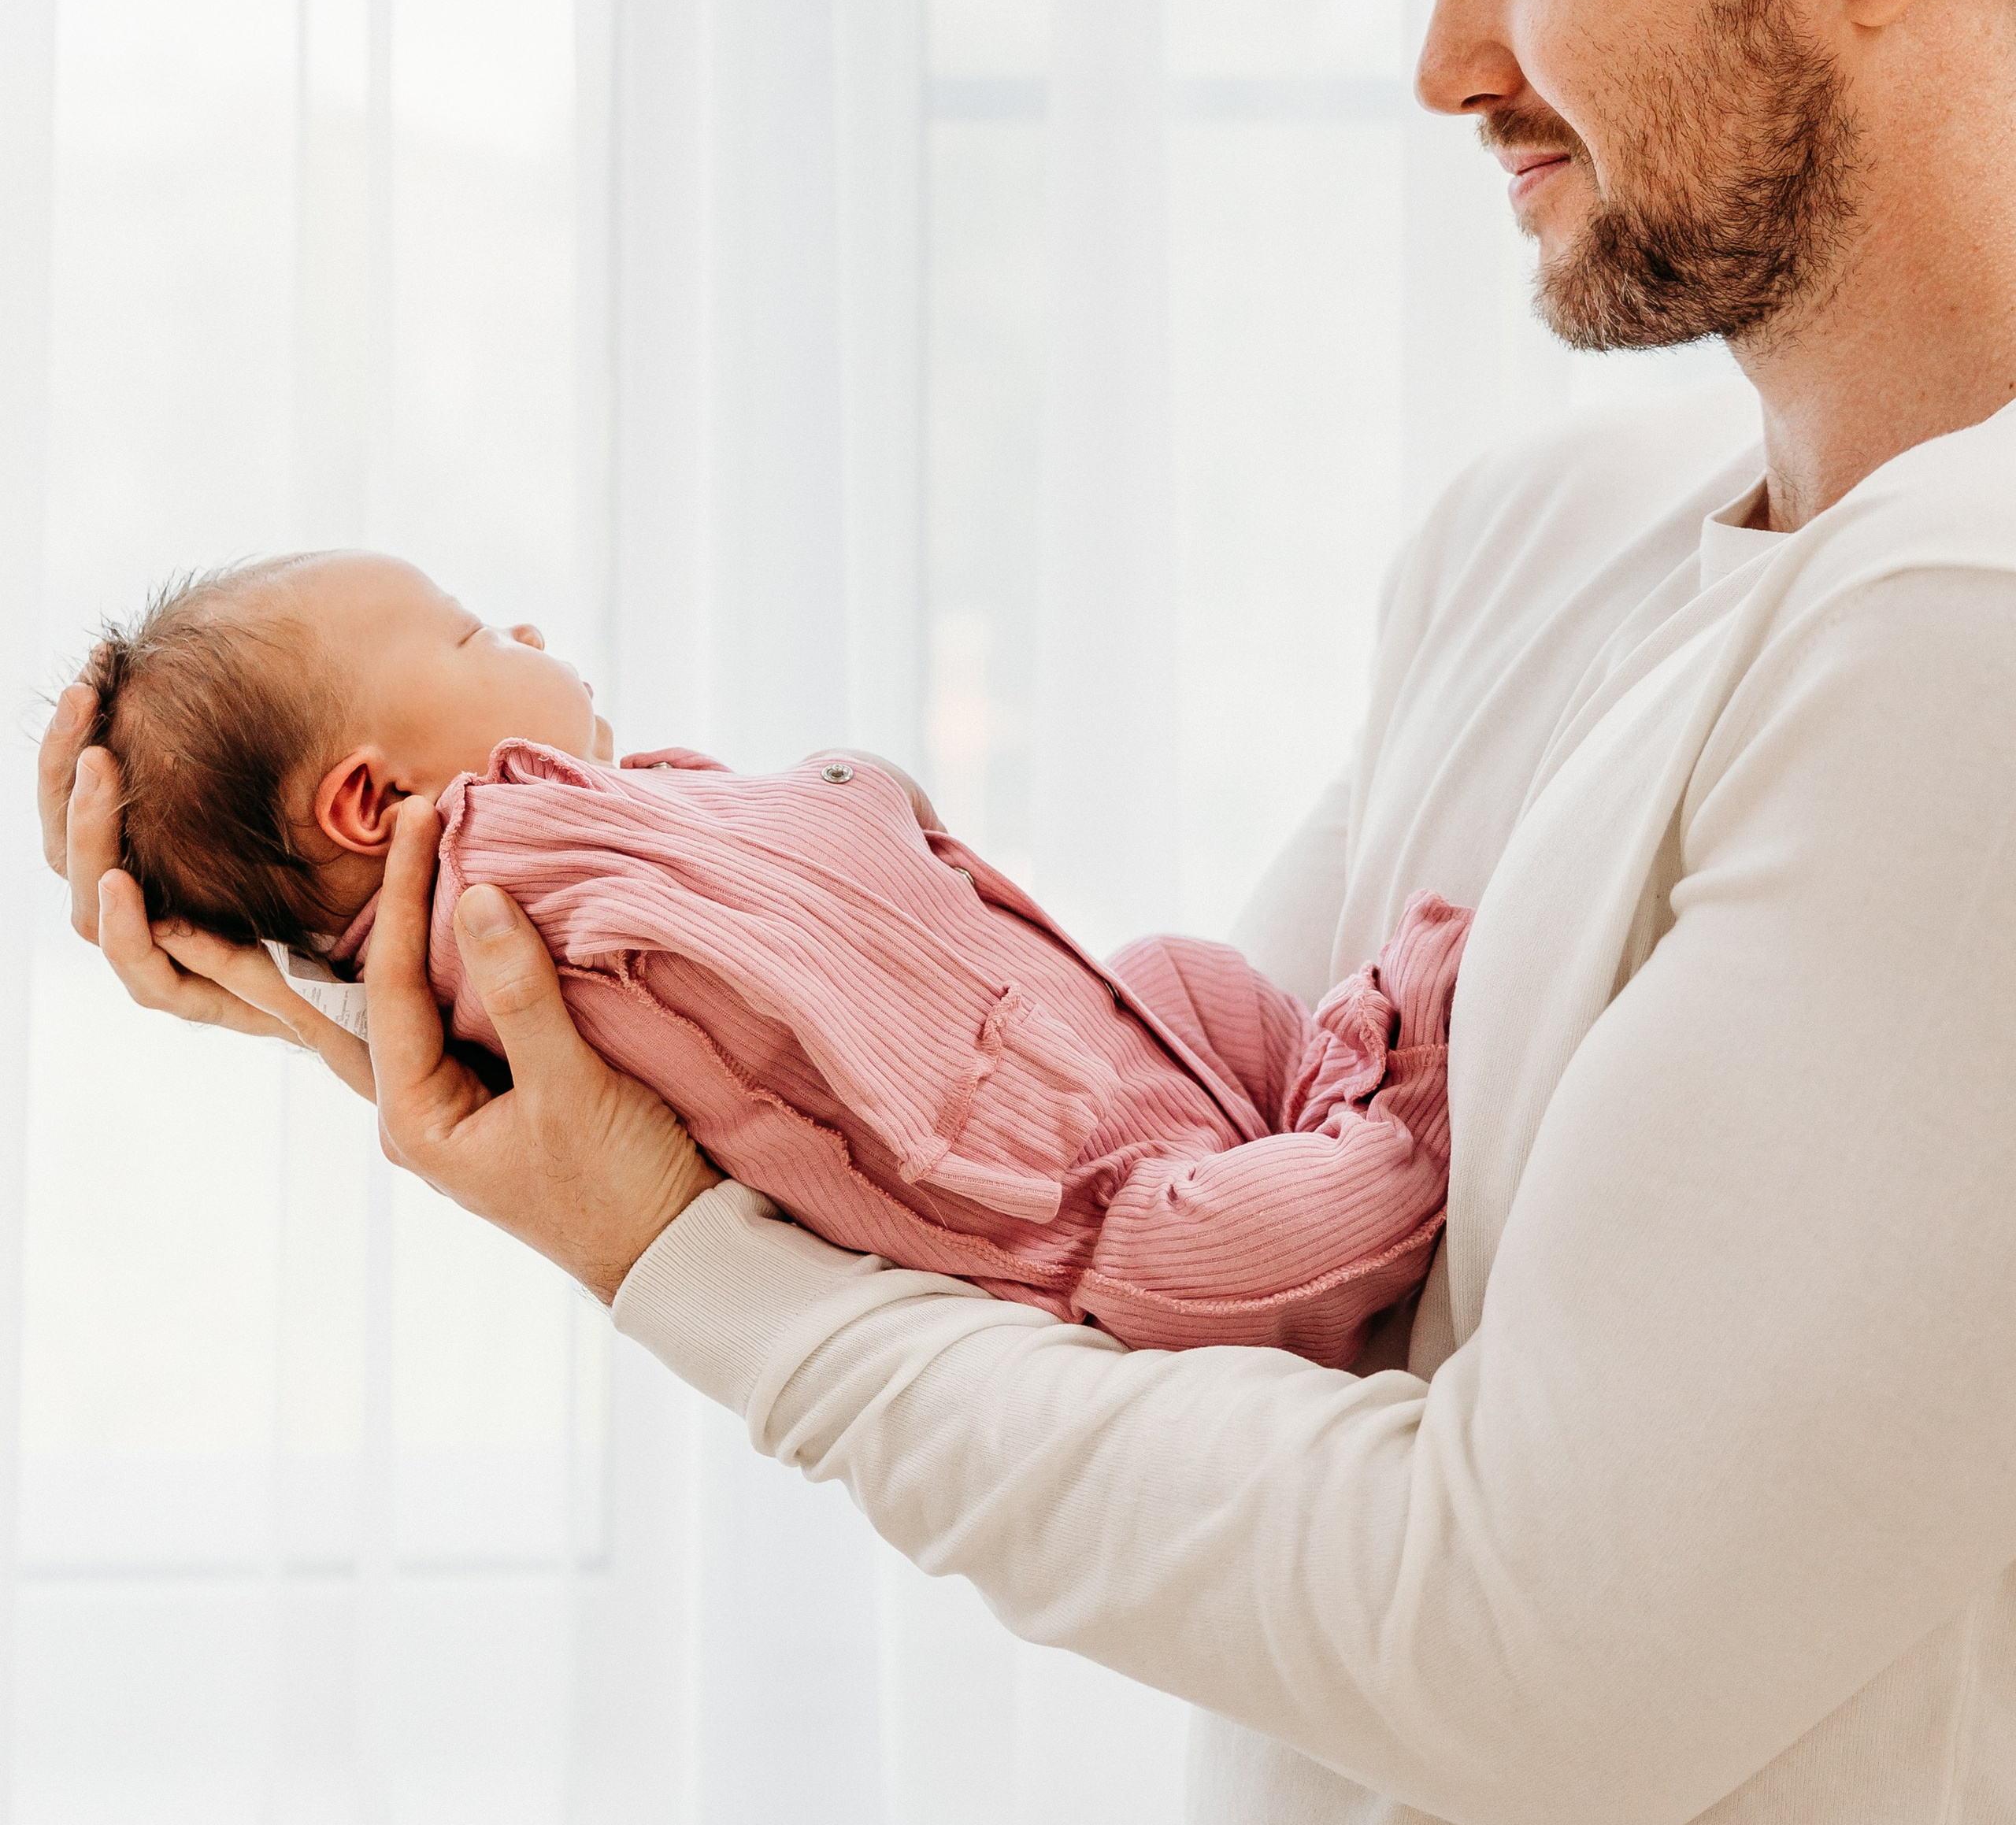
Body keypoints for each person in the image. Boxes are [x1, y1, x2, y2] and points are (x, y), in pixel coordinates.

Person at [40, 0, 2016, 1825]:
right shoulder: (1541, 545)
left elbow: (1525, 1650)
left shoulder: (1970, 643)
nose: (1438, 62)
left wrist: (675, 1260)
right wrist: (422, 983)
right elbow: (1144, 1205)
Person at [72, 549, 1465, 1364]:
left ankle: (1321, 1104)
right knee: (1227, 1246)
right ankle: (1397, 1119)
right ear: (371, 803)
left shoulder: (556, 846)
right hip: (1056, 1199)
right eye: (476, 633)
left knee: (1183, 974)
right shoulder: (506, 866)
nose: (534, 635)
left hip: (1071, 1043)